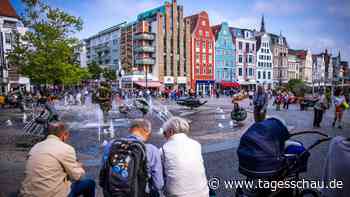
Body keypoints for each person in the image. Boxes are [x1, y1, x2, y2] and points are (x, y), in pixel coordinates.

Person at [19, 122, 95, 197]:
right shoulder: (66, 148)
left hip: (27, 194)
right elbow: (77, 176)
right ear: (64, 135)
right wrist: (78, 167)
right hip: (51, 194)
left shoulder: (35, 147)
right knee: (90, 183)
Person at [100, 119, 164, 197]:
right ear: (146, 131)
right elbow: (158, 184)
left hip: (112, 193)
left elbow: (103, 173)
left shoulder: (111, 145)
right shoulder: (151, 149)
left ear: (130, 130)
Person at [161, 117, 209, 197]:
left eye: (164, 133)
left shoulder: (163, 150)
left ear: (171, 131)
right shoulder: (196, 145)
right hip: (203, 192)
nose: (164, 136)